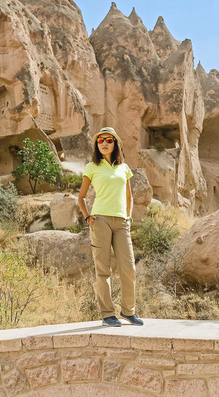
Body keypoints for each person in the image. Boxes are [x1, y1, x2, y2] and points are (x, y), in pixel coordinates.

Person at [78, 127, 144, 327]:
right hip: (100, 221)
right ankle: (108, 314)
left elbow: (129, 196)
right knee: (103, 269)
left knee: (129, 268)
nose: (104, 143)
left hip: (121, 222)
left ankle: (128, 311)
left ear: (115, 143)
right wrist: (87, 216)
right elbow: (80, 197)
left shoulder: (124, 168)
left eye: (108, 140)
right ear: (97, 146)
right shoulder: (92, 167)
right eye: (100, 141)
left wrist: (129, 217)